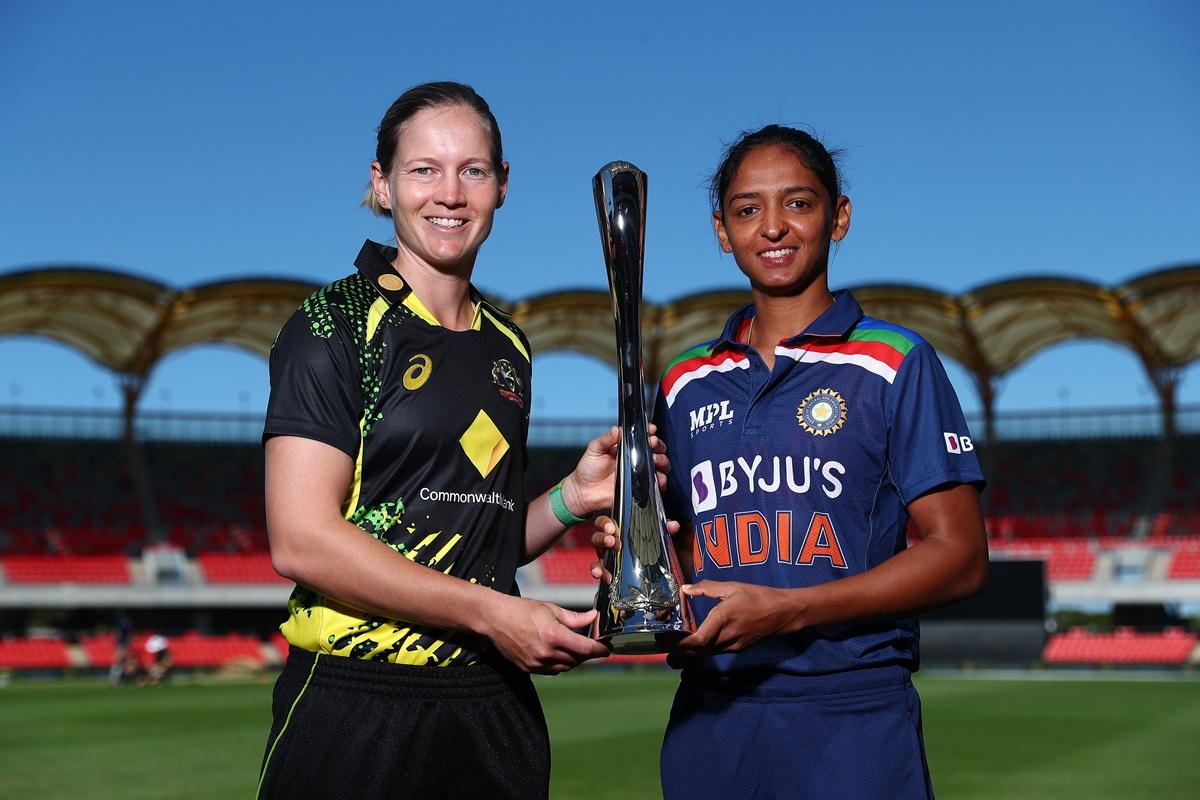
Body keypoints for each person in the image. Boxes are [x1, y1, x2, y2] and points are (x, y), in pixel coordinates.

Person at [257, 81, 666, 800]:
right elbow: (301, 540)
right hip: (358, 704)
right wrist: (493, 613)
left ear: (502, 187)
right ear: (382, 185)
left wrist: (572, 498)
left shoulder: (510, 347)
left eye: (473, 170)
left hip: (492, 709)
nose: (450, 194)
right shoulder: (331, 323)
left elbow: (481, 542)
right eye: (424, 170)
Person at [593, 124, 988, 799]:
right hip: (711, 716)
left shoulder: (894, 361)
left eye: (798, 203)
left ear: (839, 217)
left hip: (852, 714)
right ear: (722, 230)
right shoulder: (686, 381)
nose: (773, 227)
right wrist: (630, 552)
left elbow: (961, 556)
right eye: (748, 209)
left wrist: (788, 610)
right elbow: (678, 551)